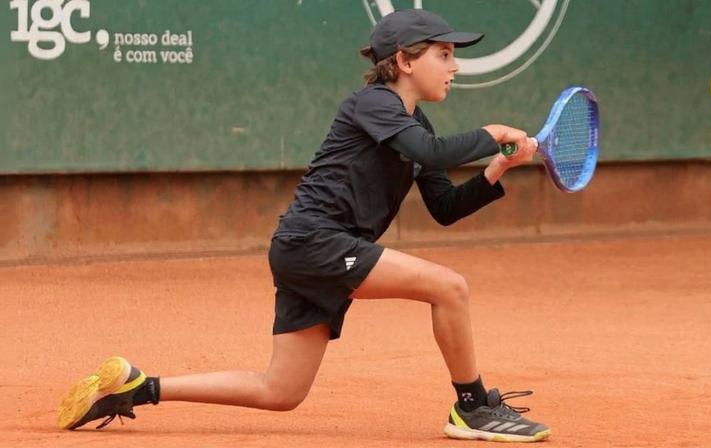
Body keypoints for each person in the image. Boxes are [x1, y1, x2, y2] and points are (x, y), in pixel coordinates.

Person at [56, 9, 549, 443]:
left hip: (309, 248)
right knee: (450, 288)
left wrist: (498, 166)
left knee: (281, 391)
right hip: (317, 241)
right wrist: (493, 133)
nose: (454, 66)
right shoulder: (373, 103)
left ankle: (140, 387)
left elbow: (444, 206)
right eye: (443, 55)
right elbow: (430, 154)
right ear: (403, 61)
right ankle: (474, 406)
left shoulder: (417, 128)